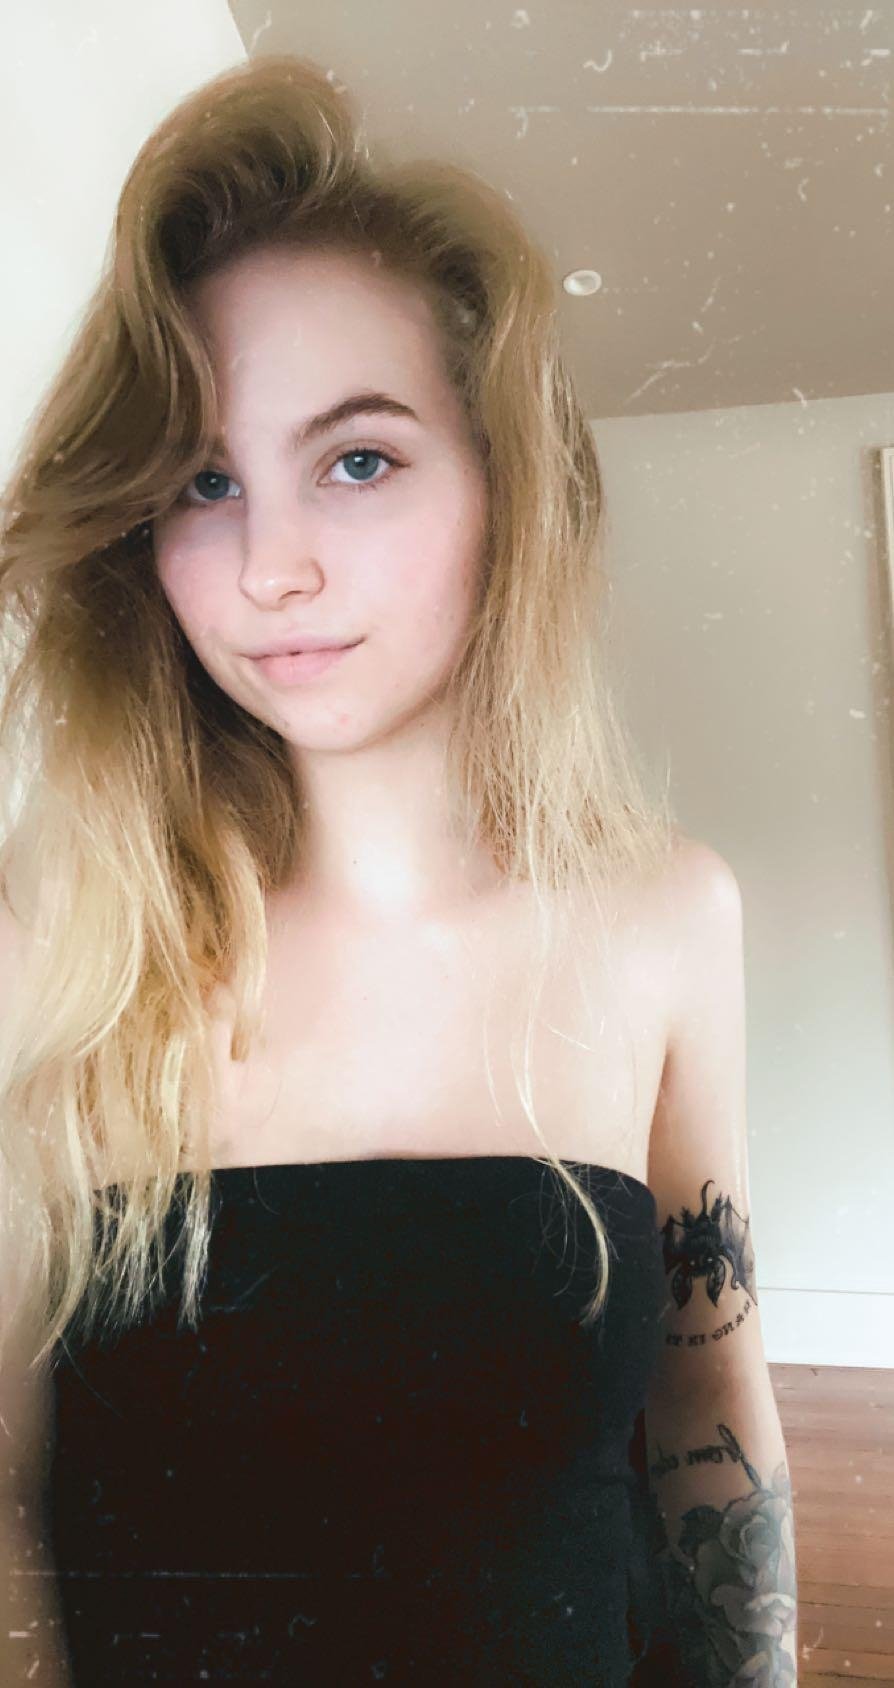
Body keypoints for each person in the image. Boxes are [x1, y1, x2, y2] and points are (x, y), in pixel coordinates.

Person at [0, 53, 796, 1686]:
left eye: (356, 459)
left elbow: (709, 1405)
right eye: (204, 481)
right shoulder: (57, 933)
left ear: (506, 485)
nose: (270, 566)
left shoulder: (662, 915)